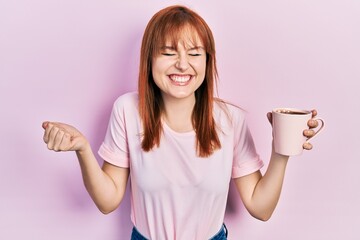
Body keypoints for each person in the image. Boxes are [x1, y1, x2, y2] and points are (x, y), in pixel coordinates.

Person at [42, 5, 319, 240]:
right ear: (149, 59)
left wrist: (281, 150)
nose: (183, 64)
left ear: (207, 62)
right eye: (168, 52)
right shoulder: (127, 109)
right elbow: (108, 200)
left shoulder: (231, 120)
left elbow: (261, 208)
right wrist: (82, 149)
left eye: (195, 53)